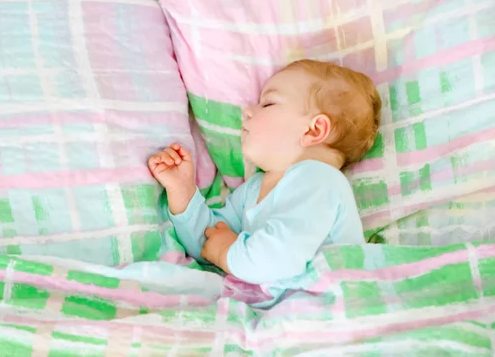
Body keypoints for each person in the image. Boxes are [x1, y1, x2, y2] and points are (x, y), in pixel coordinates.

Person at [148, 59, 382, 305]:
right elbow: (212, 241)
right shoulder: (255, 188)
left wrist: (226, 253)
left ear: (314, 130)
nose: (248, 110)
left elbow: (278, 256)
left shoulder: (320, 180)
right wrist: (183, 193)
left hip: (333, 304)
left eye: (268, 103)